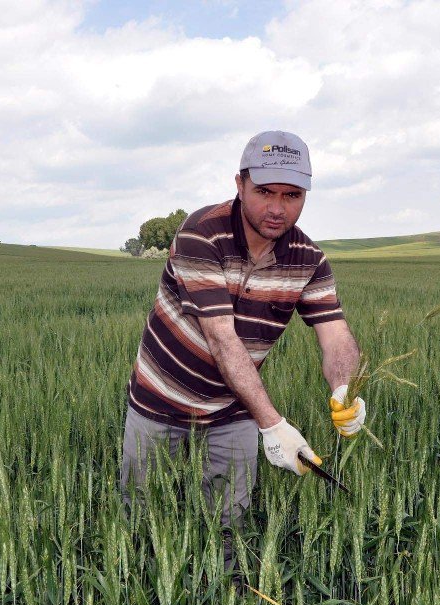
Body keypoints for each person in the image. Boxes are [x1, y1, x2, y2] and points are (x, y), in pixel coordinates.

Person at [121, 130, 365, 579]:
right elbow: (221, 339)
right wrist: (273, 425)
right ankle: (141, 597)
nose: (277, 208)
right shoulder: (201, 233)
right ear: (239, 184)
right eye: (265, 192)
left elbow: (336, 335)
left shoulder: (308, 259)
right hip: (159, 402)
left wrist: (344, 388)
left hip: (234, 411)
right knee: (141, 518)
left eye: (292, 195)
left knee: (230, 525)